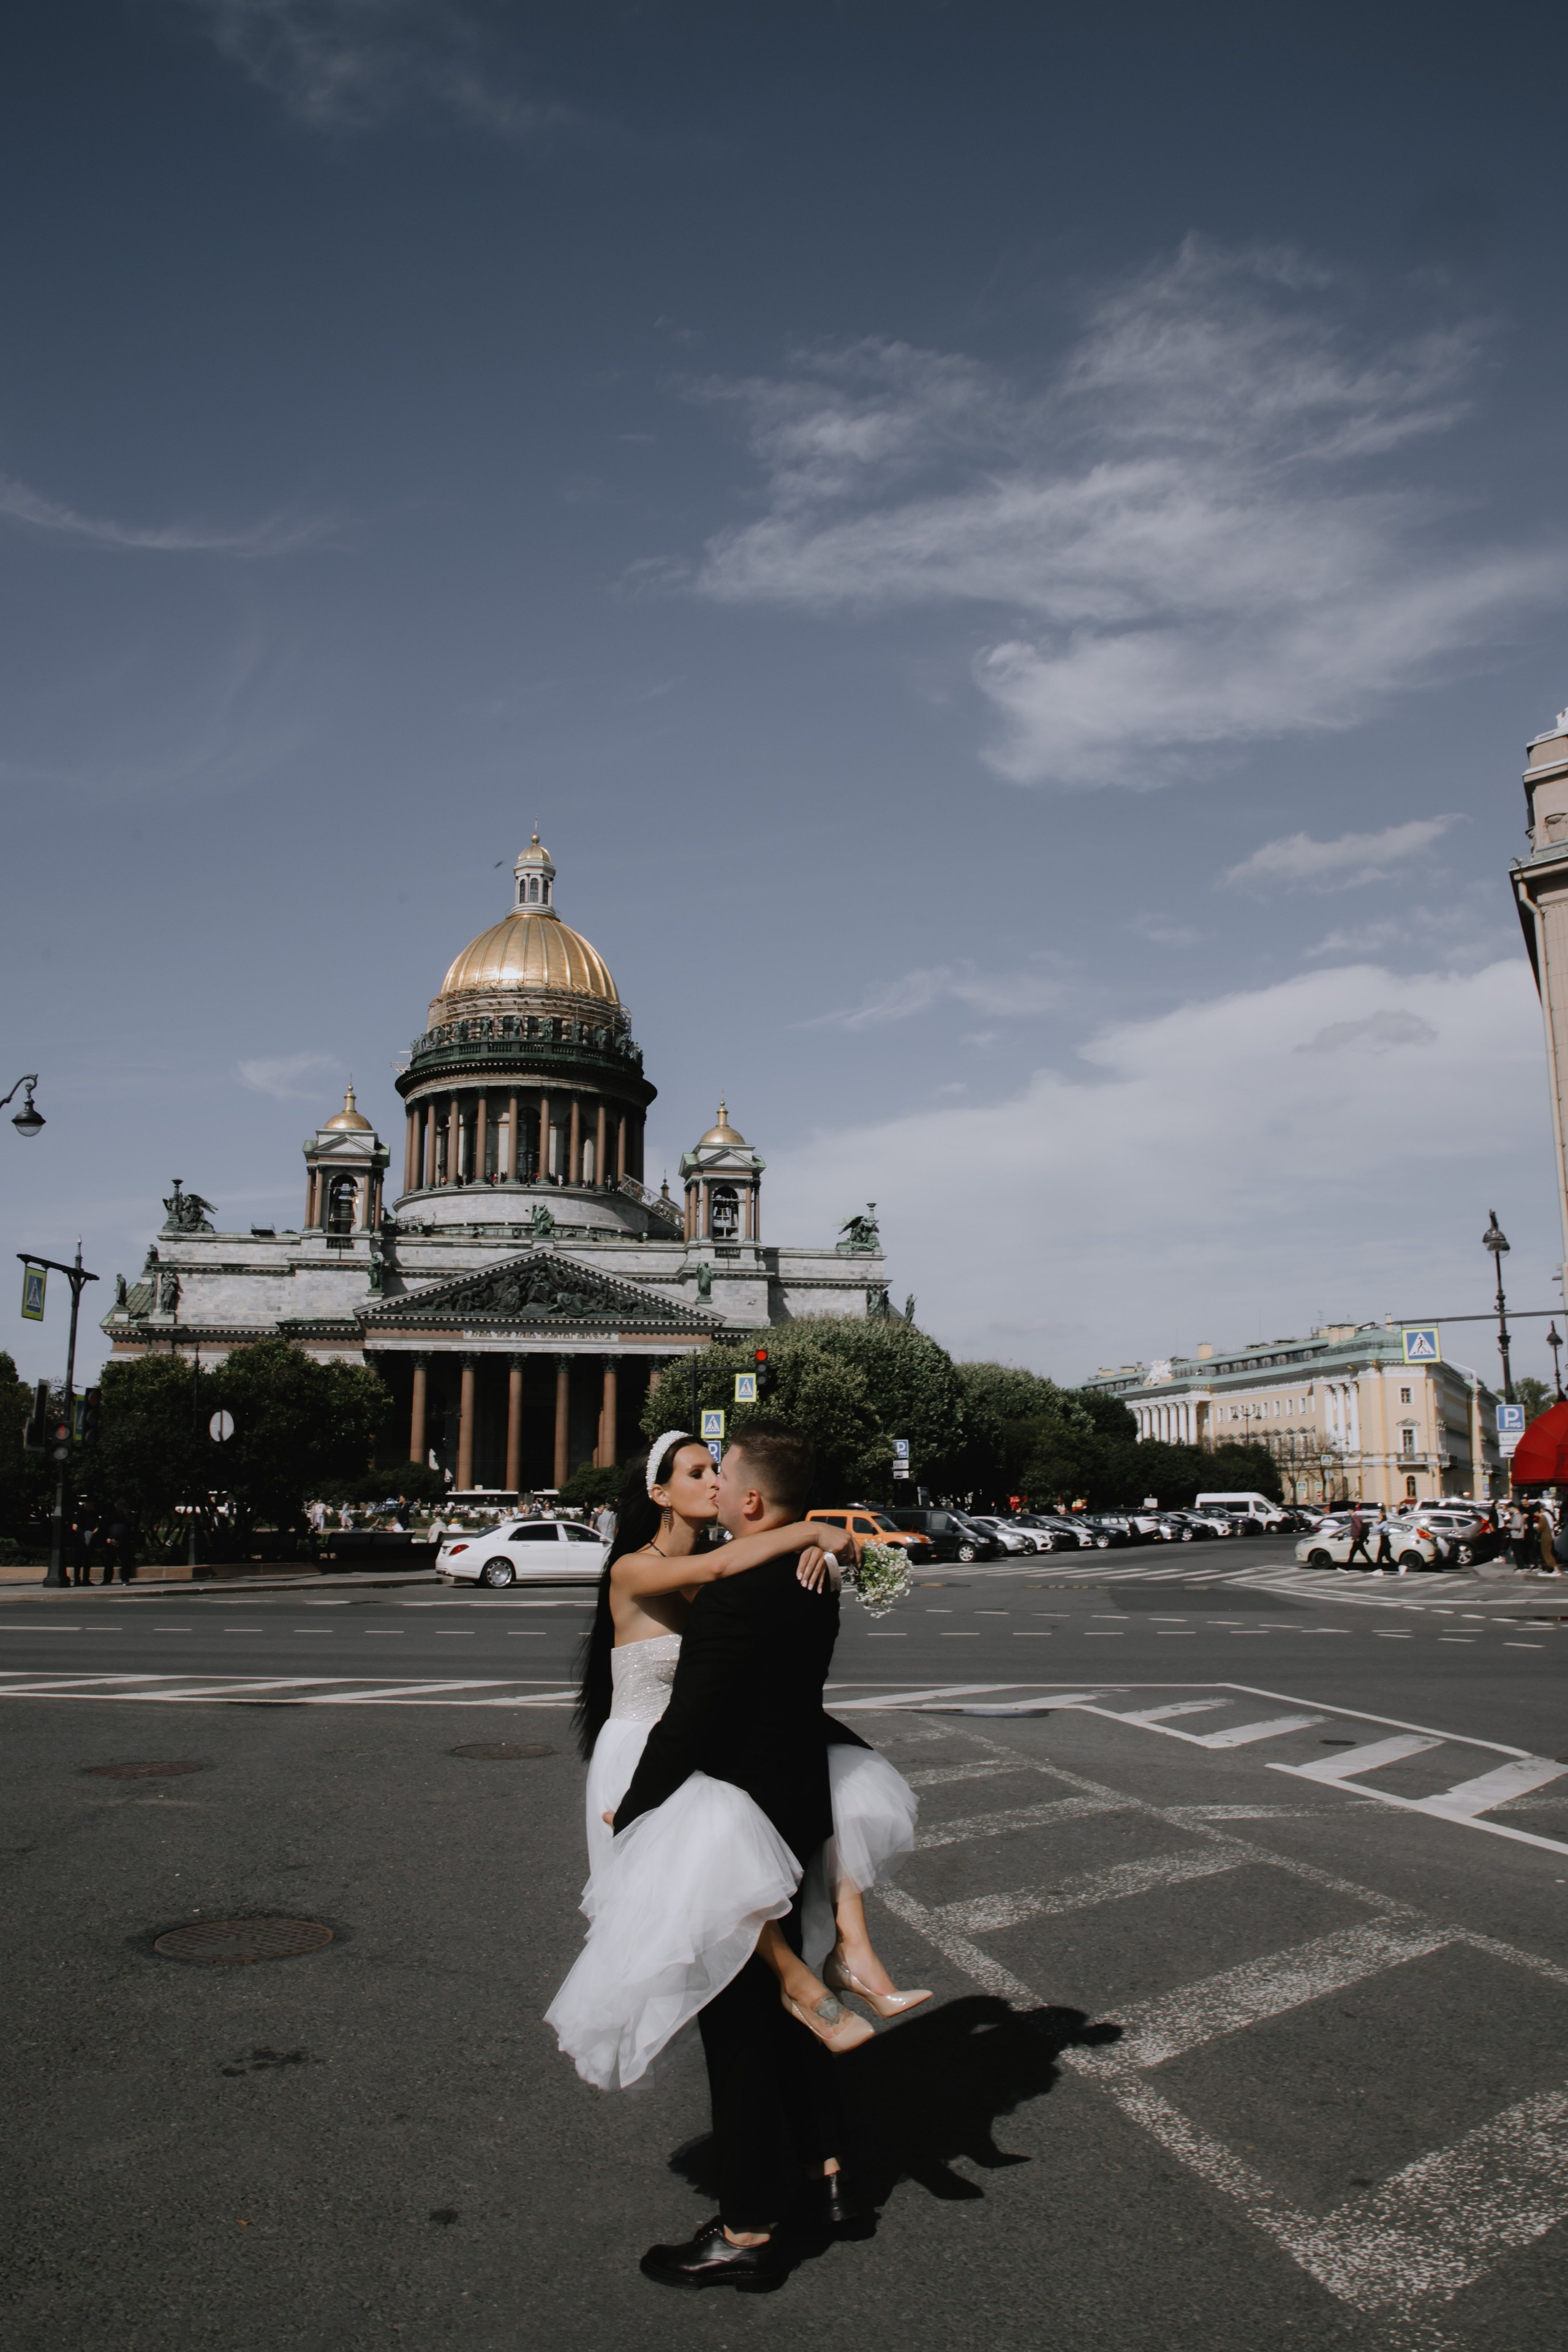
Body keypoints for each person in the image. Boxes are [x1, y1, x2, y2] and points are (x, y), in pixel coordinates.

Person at [549, 1426, 921, 2286]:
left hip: (698, 1788)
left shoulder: (737, 1582)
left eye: (718, 1470)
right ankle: (828, 2168)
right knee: (772, 1994)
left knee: (737, 2016)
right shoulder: (730, 1573)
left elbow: (699, 1712)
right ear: (660, 1493)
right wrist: (819, 1533)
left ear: (745, 1498)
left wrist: (635, 1815)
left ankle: (748, 2230)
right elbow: (759, 1655)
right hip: (739, 1786)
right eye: (696, 1470)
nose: (711, 1480)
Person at [1344, 1502, 1371, 1570]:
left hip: (1358, 1539)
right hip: (1358, 1539)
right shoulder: (1356, 1517)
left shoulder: (1355, 1518)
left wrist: (1357, 1536)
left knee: (1353, 1553)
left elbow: (1359, 1526)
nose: (1348, 1512)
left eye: (1348, 1511)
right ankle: (1372, 1566)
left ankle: (1347, 1567)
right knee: (1358, 1553)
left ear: (1352, 1511)